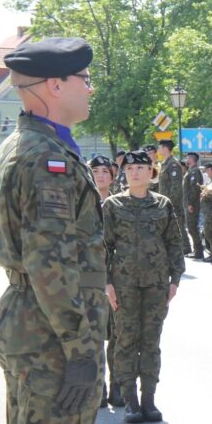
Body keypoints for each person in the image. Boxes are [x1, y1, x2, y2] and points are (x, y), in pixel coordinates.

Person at [0, 36, 107, 424]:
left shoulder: (35, 145)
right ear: (54, 86)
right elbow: (50, 265)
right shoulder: (45, 159)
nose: (90, 87)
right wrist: (83, 351)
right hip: (52, 339)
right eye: (83, 79)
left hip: (35, 328)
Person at [104, 150, 185, 424]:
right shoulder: (113, 205)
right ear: (124, 173)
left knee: (151, 341)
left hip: (156, 284)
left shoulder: (163, 204)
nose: (135, 172)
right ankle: (130, 401)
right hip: (124, 285)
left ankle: (149, 399)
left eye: (141, 167)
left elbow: (174, 242)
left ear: (151, 172)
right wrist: (107, 283)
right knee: (126, 340)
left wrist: (175, 280)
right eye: (130, 168)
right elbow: (103, 247)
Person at [90, 155, 124, 409]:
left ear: (112, 176)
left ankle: (118, 387)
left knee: (118, 335)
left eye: (105, 171)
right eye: (96, 171)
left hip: (118, 278)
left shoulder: (121, 203)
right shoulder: (81, 203)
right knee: (94, 337)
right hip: (90, 278)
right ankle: (97, 389)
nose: (100, 175)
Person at [157, 139, 189, 255]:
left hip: (172, 205)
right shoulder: (165, 163)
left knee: (175, 233)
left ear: (165, 148)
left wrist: (169, 204)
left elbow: (176, 187)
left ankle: (178, 259)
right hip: (165, 205)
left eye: (159, 147)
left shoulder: (173, 164)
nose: (158, 150)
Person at [182, 152, 205, 260]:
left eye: (187, 158)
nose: (186, 159)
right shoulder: (190, 171)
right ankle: (197, 250)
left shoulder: (195, 171)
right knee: (191, 227)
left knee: (192, 227)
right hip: (188, 203)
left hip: (193, 204)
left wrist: (190, 203)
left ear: (192, 159)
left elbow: (194, 189)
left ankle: (199, 251)